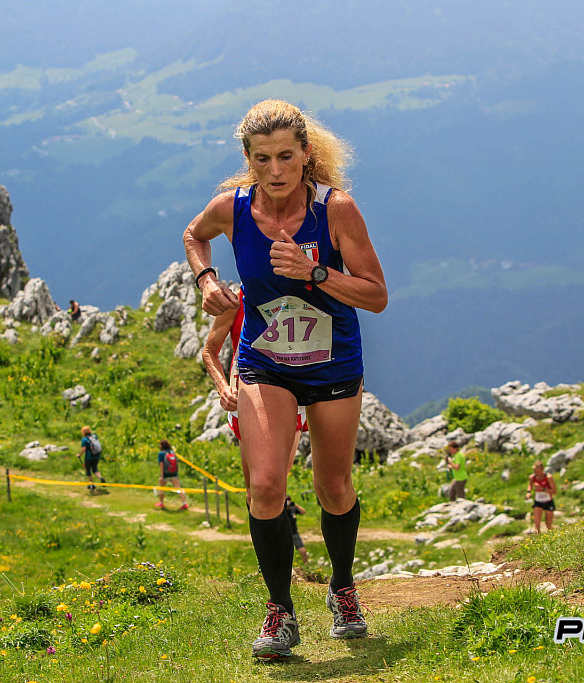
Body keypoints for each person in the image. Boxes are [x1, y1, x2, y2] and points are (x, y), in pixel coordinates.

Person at [183, 99, 387, 659]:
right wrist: (207, 280)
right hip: (265, 363)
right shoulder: (232, 208)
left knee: (333, 487)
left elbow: (376, 295)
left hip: (332, 365)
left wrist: (314, 272)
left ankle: (342, 589)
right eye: (262, 159)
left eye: (286, 157)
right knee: (266, 486)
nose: (275, 171)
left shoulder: (336, 210)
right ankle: (280, 611)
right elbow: (194, 235)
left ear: (306, 154)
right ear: (248, 159)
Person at [201, 289, 309, 511]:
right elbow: (209, 351)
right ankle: (266, 530)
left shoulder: (301, 296)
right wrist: (223, 388)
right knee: (254, 492)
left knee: (275, 489)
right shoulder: (236, 301)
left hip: (293, 399)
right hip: (249, 399)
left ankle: (284, 527)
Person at [155, 440, 189, 510]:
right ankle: (184, 503)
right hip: (174, 474)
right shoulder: (172, 453)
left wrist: (162, 476)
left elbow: (161, 465)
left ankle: (161, 502)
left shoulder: (161, 454)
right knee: (178, 488)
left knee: (161, 487)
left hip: (166, 474)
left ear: (161, 446)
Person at [526, 461, 556, 533]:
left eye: (537, 470)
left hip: (548, 501)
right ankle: (538, 535)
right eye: (534, 470)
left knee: (548, 524)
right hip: (538, 501)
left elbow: (554, 491)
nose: (536, 472)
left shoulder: (548, 477)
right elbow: (530, 485)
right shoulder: (532, 477)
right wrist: (529, 492)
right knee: (537, 522)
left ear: (542, 469)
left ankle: (551, 535)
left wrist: (543, 489)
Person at [77, 426, 109, 494]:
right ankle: (101, 478)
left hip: (89, 457)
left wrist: (80, 455)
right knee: (95, 469)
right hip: (96, 456)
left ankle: (91, 484)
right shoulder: (95, 437)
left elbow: (83, 449)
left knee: (88, 470)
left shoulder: (84, 439)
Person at [283, 495, 309, 564]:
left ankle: (306, 565)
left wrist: (295, 505)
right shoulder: (281, 511)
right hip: (284, 534)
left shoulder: (292, 509)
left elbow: (303, 512)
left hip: (294, 533)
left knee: (303, 551)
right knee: (285, 552)